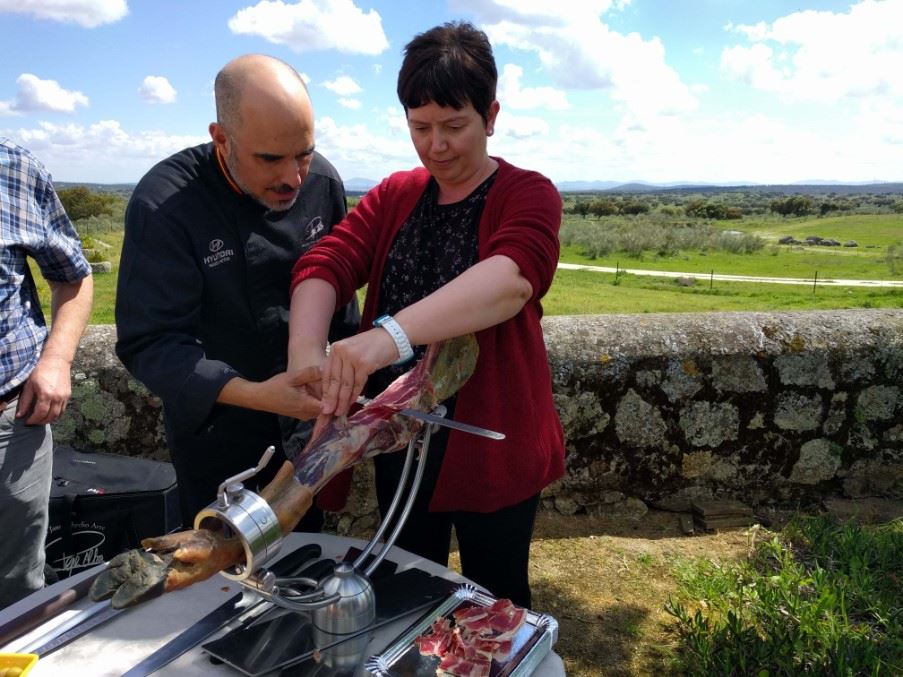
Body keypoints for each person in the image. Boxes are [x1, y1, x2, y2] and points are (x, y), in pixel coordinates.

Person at [288, 22, 565, 608]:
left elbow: (512, 279)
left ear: (490, 116)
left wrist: (384, 338)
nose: (436, 145)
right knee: (405, 592)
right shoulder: (397, 194)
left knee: (496, 599)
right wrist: (306, 358)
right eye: (420, 127)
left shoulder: (527, 194)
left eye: (454, 126)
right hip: (401, 437)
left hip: (492, 442)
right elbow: (325, 263)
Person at [115, 54, 359, 530]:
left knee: (305, 562)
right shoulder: (165, 205)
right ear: (221, 138)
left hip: (308, 428)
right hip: (218, 432)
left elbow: (340, 297)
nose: (293, 177)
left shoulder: (322, 182)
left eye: (304, 153)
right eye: (270, 159)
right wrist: (259, 395)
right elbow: (152, 343)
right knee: (223, 576)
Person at [0, 138, 94, 608]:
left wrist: (56, 360)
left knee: (15, 598)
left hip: (8, 429)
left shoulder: (11, 165)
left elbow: (73, 275)